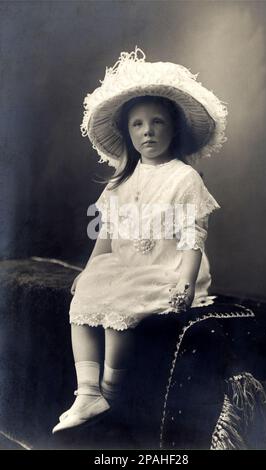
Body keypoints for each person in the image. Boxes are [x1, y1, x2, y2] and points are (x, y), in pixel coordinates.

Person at [52, 47, 228, 433]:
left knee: (122, 303)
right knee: (86, 298)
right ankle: (87, 392)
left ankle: (112, 392)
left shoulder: (183, 178)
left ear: (173, 128)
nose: (147, 131)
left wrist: (185, 278)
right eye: (138, 125)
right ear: (128, 133)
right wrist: (90, 270)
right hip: (127, 264)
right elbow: (108, 233)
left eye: (157, 122)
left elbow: (192, 236)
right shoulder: (121, 182)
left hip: (168, 267)